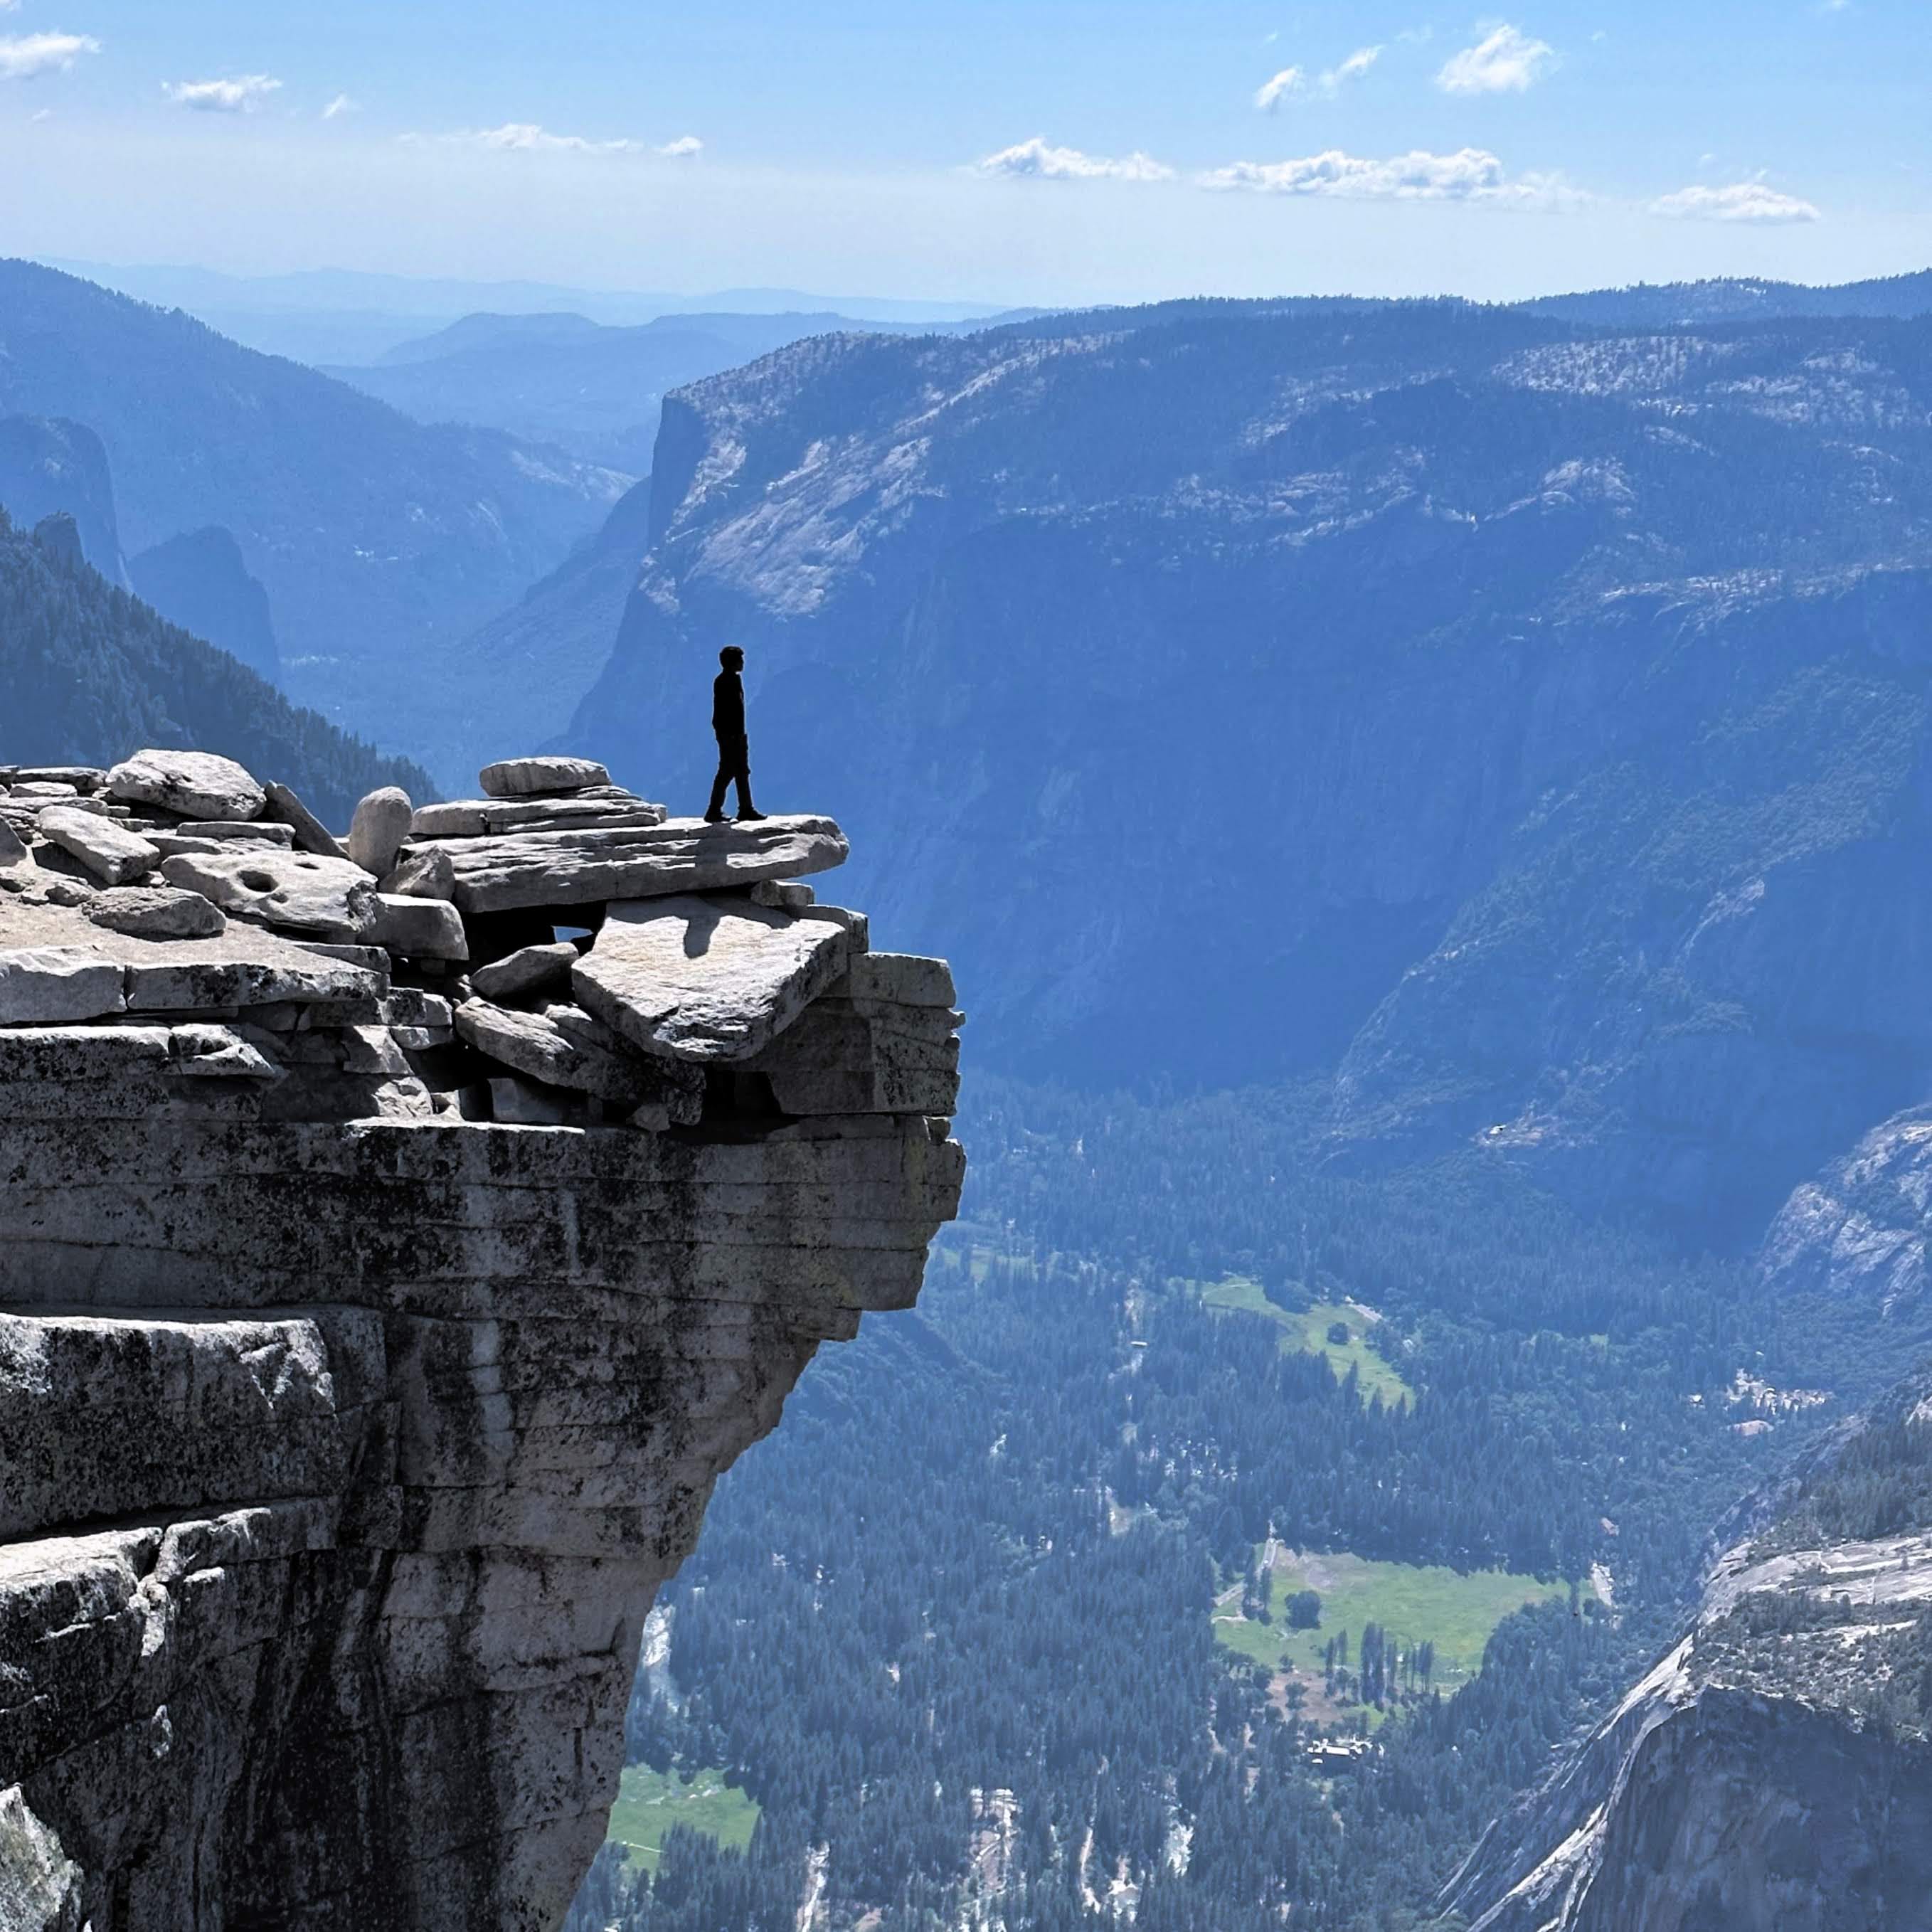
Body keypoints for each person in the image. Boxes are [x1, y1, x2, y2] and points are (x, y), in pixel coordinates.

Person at [704, 644, 765, 822]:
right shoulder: (725, 681)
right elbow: (724, 711)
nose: (743, 663)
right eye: (741, 660)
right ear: (733, 662)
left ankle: (746, 808)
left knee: (741, 771)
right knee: (727, 771)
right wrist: (728, 734)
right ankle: (714, 810)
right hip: (730, 734)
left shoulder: (731, 679)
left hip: (736, 733)